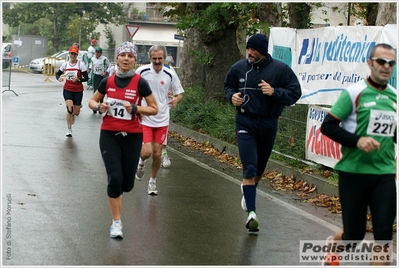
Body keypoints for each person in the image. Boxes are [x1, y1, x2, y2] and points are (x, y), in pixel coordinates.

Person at [320, 43, 397, 266]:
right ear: (370, 63)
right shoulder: (354, 93)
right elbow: (328, 126)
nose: (386, 67)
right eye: (381, 61)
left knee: (384, 235)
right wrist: (357, 140)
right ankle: (334, 246)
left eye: (391, 63)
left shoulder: (395, 97)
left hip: (384, 174)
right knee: (354, 238)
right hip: (353, 173)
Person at [223, 33, 302, 232]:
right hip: (245, 122)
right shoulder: (238, 67)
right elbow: (228, 86)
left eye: (254, 50)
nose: (250, 52)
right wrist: (232, 96)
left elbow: (295, 93)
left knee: (259, 171)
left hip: (268, 124)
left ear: (264, 52)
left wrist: (275, 92)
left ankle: (248, 190)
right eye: (248, 49)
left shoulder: (280, 70)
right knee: (249, 167)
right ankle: (252, 214)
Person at [88, 41, 158, 239]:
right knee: (115, 179)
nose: (126, 59)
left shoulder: (140, 83)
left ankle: (130, 174)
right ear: (117, 58)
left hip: (133, 137)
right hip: (109, 135)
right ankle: (116, 223)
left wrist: (135, 108)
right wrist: (98, 107)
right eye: (123, 55)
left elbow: (154, 108)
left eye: (130, 56)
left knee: (126, 185)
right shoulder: (107, 81)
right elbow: (92, 101)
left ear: (135, 60)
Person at [135, 44, 184, 195]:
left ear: (165, 58)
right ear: (150, 58)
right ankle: (141, 163)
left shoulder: (170, 72)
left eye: (160, 59)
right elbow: (132, 90)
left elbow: (180, 93)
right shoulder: (141, 71)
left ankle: (152, 182)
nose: (157, 62)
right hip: (145, 118)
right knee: (146, 152)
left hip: (162, 119)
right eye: (154, 58)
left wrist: (176, 100)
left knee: (157, 154)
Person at [56, 45, 89, 137]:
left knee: (76, 112)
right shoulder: (65, 64)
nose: (73, 56)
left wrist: (78, 79)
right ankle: (69, 129)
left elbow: (86, 78)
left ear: (77, 55)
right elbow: (58, 74)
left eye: (75, 54)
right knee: (69, 108)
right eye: (72, 54)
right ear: (69, 54)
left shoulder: (80, 65)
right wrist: (59, 78)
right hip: (68, 89)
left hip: (78, 90)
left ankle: (73, 115)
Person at [88, 47, 110, 113]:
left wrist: (105, 72)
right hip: (95, 76)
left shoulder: (104, 59)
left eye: (98, 52)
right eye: (96, 52)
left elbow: (109, 66)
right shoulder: (93, 59)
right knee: (95, 91)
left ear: (101, 53)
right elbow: (91, 66)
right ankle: (95, 106)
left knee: (101, 91)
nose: (97, 54)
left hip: (102, 76)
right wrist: (89, 69)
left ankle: (101, 103)